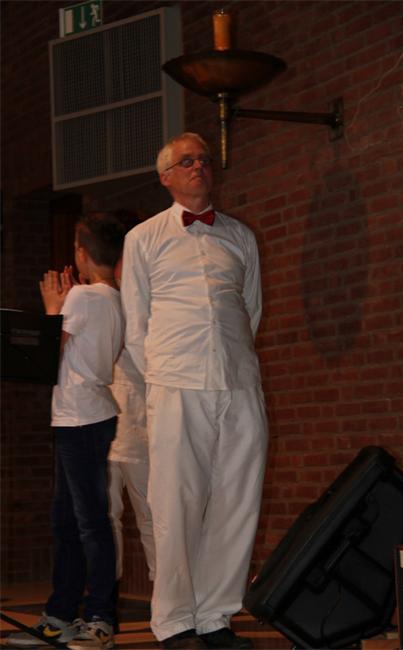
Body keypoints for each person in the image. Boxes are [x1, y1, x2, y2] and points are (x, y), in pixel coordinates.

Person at [121, 133, 268, 650]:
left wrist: (231, 360)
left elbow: (250, 309)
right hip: (175, 381)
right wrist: (162, 378)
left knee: (237, 499)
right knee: (176, 500)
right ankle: (174, 621)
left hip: (238, 380)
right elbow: (135, 322)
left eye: (204, 159)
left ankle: (216, 616)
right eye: (187, 161)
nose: (198, 166)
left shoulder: (240, 236)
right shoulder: (143, 238)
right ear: (166, 176)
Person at [7, 212, 125, 650]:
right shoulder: (112, 297)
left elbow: (44, 357)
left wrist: (52, 310)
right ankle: (60, 616)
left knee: (89, 523)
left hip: (81, 418)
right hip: (85, 415)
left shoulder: (82, 298)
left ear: (81, 252)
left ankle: (99, 618)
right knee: (68, 521)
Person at [108, 258, 156, 595]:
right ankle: (104, 596)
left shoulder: (153, 309)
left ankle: (166, 596)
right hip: (102, 424)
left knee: (151, 516)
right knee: (104, 516)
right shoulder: (105, 303)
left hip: (139, 427)